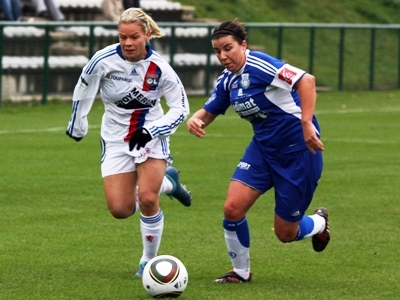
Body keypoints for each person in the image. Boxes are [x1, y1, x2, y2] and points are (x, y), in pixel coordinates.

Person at [186, 18, 330, 283]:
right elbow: (209, 110)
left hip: (299, 152)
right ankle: (240, 272)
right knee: (232, 208)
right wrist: (196, 119)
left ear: (243, 44)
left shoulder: (260, 65)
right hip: (263, 151)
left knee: (285, 233)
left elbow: (306, 80)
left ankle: (319, 224)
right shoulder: (228, 80)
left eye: (228, 48)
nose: (223, 56)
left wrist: (307, 123)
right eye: (218, 51)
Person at [66, 7, 191, 277]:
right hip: (115, 139)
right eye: (123, 37)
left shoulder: (160, 68)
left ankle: (148, 260)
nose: (128, 43)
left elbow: (180, 108)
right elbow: (83, 88)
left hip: (150, 138)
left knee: (147, 198)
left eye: (134, 37)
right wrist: (78, 124)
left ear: (146, 35)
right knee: (120, 210)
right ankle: (169, 183)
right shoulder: (103, 60)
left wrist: (152, 130)